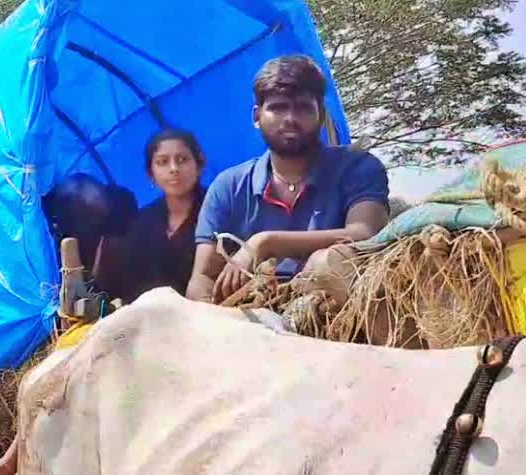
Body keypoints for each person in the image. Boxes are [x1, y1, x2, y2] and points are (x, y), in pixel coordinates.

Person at [186, 55, 391, 304]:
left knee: (326, 262)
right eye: (278, 107)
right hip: (251, 326)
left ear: (321, 114)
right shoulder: (228, 185)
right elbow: (204, 276)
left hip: (342, 320)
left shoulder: (358, 166)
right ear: (256, 116)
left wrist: (265, 242)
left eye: (303, 108)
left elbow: (365, 233)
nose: (290, 119)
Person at [96, 129, 206, 302]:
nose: (174, 169)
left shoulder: (217, 211)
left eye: (182, 160)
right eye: (162, 162)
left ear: (199, 165)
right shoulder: (142, 222)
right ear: (151, 174)